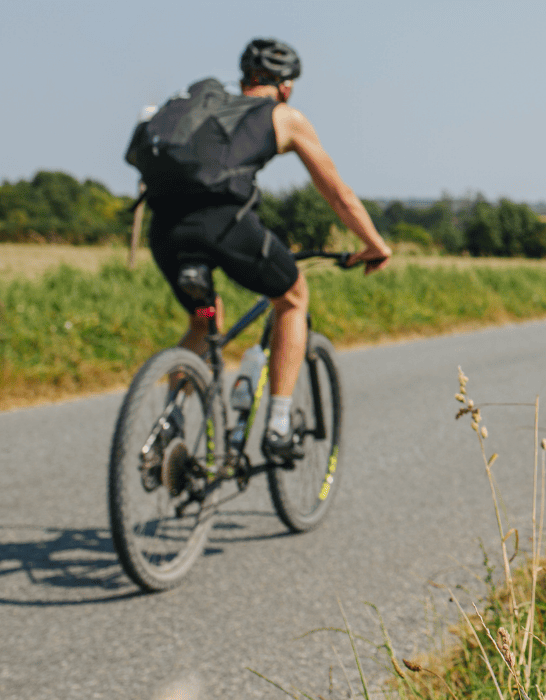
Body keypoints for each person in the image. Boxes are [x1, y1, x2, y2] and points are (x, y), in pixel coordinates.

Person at [132, 38, 391, 461]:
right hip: (223, 225)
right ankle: (279, 425)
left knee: (204, 316)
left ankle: (170, 419)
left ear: (244, 78)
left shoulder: (205, 114)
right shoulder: (284, 116)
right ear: (285, 86)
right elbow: (338, 193)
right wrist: (373, 243)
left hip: (166, 229)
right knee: (292, 298)